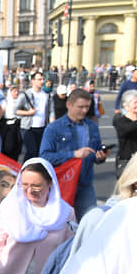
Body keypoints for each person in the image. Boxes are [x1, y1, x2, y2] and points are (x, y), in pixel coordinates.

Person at [40, 89, 107, 220]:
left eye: (87, 107)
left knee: (90, 222)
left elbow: (96, 152)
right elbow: (44, 156)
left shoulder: (91, 127)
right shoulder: (54, 128)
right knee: (61, 225)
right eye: (80, 107)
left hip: (85, 184)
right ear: (69, 105)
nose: (84, 110)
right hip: (62, 185)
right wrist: (73, 154)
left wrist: (101, 156)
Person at [16, 71, 54, 160]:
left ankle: (36, 172)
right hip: (28, 127)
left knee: (39, 152)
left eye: (43, 79)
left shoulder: (47, 95)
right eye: (39, 79)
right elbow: (16, 110)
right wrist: (28, 113)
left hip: (42, 127)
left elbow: (51, 111)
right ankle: (24, 170)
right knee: (31, 151)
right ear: (32, 81)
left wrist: (52, 123)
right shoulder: (26, 94)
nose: (42, 81)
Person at [112, 90, 137, 178]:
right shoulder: (119, 120)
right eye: (135, 102)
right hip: (127, 162)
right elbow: (128, 129)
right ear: (126, 107)